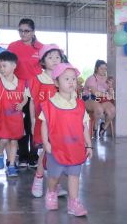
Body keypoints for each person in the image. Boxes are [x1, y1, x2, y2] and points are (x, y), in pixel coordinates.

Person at [40, 63, 92, 216]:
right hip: (56, 148)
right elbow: (44, 125)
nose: (71, 82)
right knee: (54, 176)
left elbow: (84, 127)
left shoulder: (80, 105)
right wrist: (46, 143)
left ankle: (74, 202)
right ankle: (51, 191)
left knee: (74, 175)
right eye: (66, 79)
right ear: (56, 82)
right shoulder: (49, 104)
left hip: (75, 148)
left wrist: (89, 145)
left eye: (74, 79)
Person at [0, 51, 29, 177]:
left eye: (4, 66)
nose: (2, 69)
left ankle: (12, 165)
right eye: (0, 66)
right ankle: (0, 153)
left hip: (16, 119)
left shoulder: (22, 83)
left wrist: (22, 104)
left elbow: (25, 98)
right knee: (3, 139)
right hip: (3, 118)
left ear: (14, 66)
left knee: (14, 142)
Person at [29, 44, 66, 198]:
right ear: (43, 62)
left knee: (57, 154)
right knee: (46, 150)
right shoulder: (37, 79)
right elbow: (32, 102)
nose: (55, 60)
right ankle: (38, 179)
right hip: (44, 123)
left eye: (57, 57)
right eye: (50, 57)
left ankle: (55, 184)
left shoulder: (63, 78)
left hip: (60, 123)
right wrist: (32, 121)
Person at [7, 18, 43, 168]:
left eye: (26, 31)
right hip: (18, 90)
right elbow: (6, 67)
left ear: (33, 32)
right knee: (20, 123)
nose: (23, 33)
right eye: (20, 30)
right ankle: (22, 155)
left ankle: (33, 155)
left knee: (34, 123)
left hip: (36, 90)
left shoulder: (41, 48)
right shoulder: (12, 46)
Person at [83, 60, 115, 137]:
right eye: (101, 68)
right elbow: (95, 93)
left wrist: (110, 87)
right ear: (96, 68)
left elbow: (111, 94)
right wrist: (107, 96)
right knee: (99, 109)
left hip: (101, 100)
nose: (104, 70)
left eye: (105, 69)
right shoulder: (91, 78)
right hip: (89, 99)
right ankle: (95, 125)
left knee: (112, 110)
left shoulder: (106, 79)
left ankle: (103, 127)